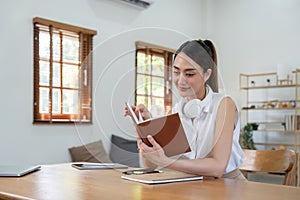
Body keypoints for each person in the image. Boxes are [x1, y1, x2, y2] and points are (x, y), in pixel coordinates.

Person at [125, 39, 245, 180]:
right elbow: (150, 166)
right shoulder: (177, 111)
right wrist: (146, 129)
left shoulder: (224, 105)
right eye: (176, 72)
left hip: (229, 186)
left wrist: (168, 162)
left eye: (189, 74)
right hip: (195, 188)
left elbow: (218, 167)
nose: (181, 80)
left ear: (207, 74)